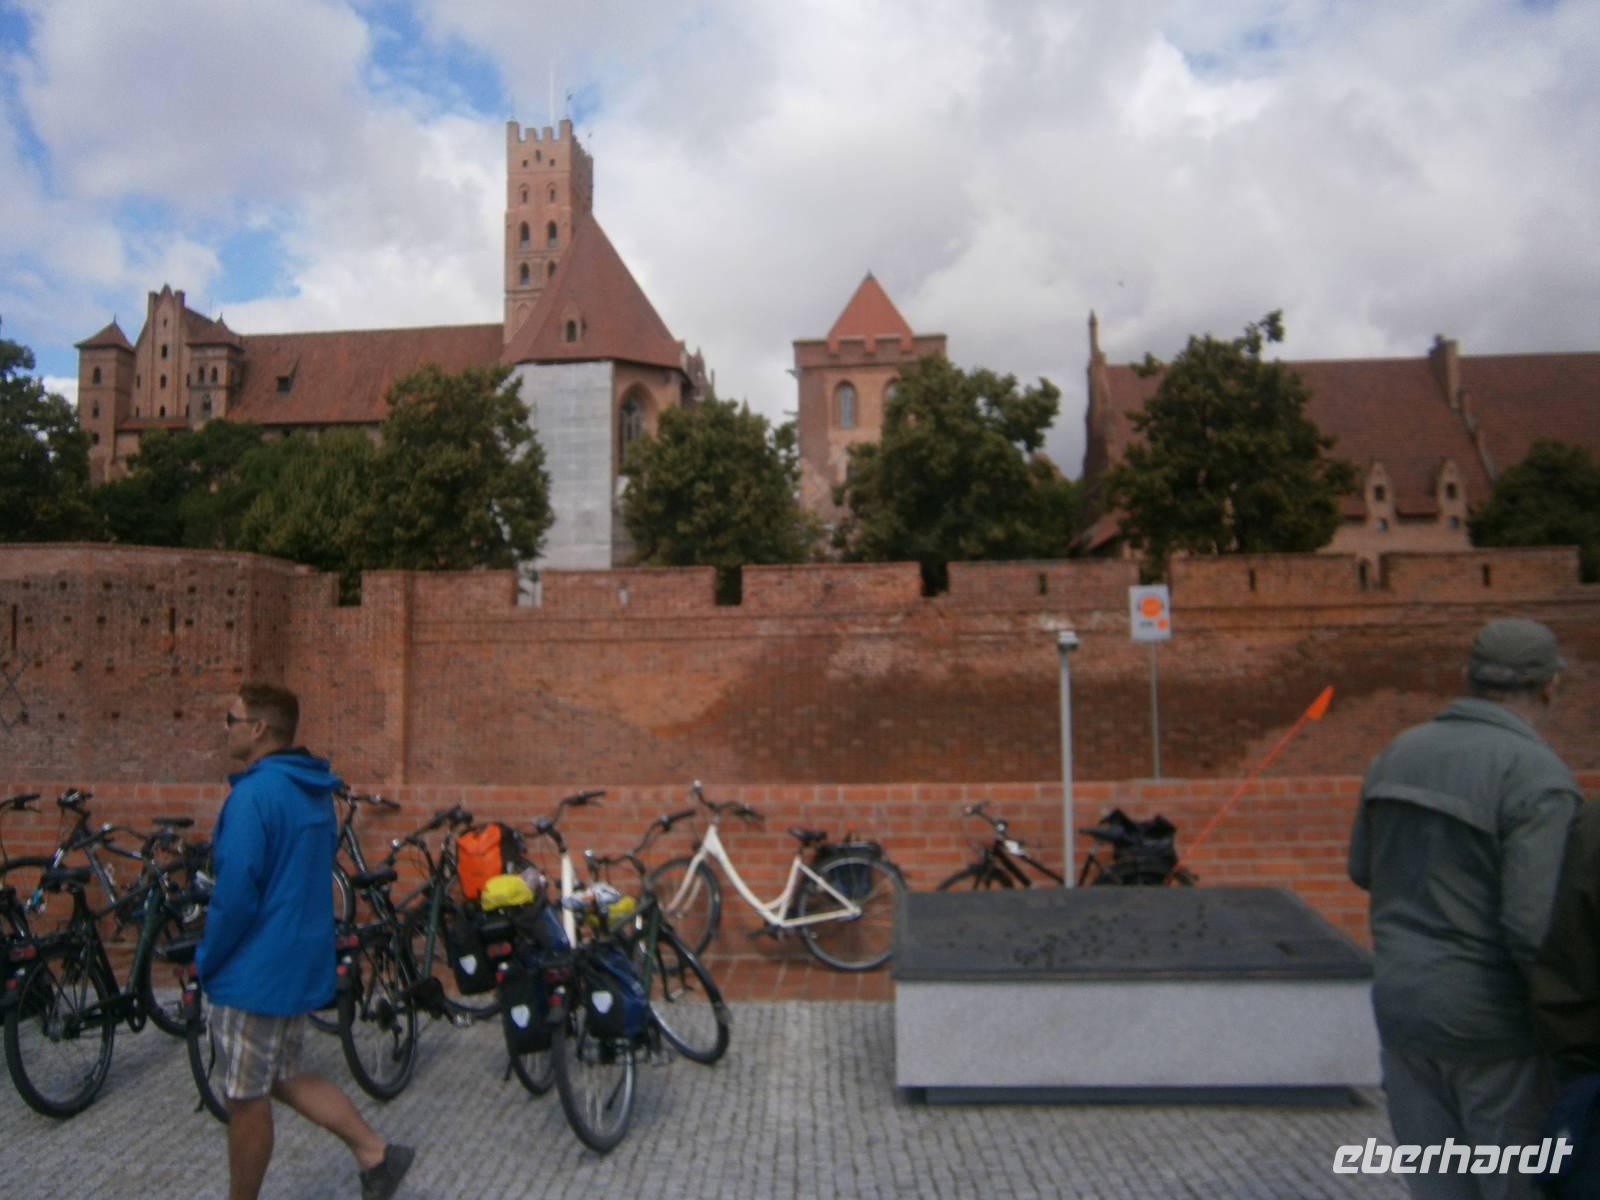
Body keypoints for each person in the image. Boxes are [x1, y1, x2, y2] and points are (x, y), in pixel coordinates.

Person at [1349, 618, 1581, 1200]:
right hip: (1494, 1027)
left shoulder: (1398, 752)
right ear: (1552, 685)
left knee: (1437, 1185)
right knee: (1514, 1184)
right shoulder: (1536, 776)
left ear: (1468, 677)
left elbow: (1361, 868)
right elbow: (1533, 924)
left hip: (1403, 1008)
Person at [198, 683, 414, 1200]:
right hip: (295, 959)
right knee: (284, 1075)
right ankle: (375, 1153)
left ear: (259, 729)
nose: (224, 728)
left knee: (246, 1099)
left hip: (253, 972)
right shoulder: (312, 789)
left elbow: (235, 895)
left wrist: (208, 958)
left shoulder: (254, 796)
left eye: (231, 719)